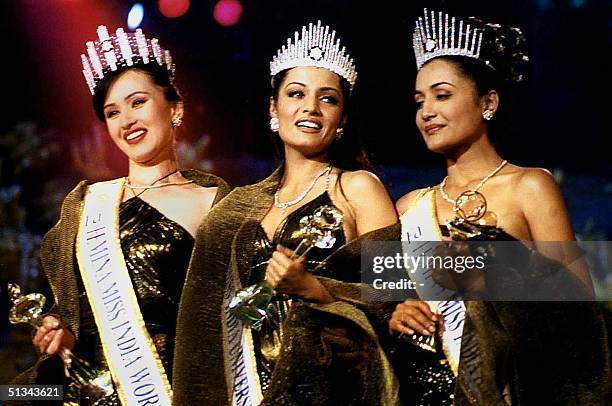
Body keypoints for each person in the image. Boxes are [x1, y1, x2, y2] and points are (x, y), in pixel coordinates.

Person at [387, 9, 609, 405]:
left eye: (442, 95)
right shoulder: (408, 207)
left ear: (488, 102)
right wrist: (394, 313)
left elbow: (577, 312)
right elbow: (381, 300)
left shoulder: (531, 186)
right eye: (419, 100)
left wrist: (496, 267)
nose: (426, 112)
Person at [173, 21, 399, 405]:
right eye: (296, 94)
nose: (311, 107)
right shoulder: (239, 205)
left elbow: (394, 293)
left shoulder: (358, 187)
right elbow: (204, 319)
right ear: (274, 109)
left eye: (328, 99)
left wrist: (313, 288)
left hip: (330, 389)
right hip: (246, 390)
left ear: (342, 120)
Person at [12, 26, 230, 405]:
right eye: (113, 112)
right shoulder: (87, 204)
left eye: (138, 102)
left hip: (176, 391)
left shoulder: (215, 202)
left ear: (175, 109)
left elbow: (234, 318)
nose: (125, 120)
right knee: (10, 394)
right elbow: (66, 308)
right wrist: (57, 328)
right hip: (84, 391)